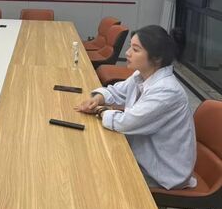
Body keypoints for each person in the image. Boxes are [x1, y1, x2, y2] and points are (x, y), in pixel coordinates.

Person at [75, 26, 196, 190]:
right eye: (130, 47)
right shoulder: (141, 75)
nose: (127, 53)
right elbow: (116, 92)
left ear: (157, 58)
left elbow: (126, 123)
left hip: (161, 172)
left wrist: (100, 110)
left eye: (135, 49)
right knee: (90, 157)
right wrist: (98, 99)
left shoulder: (167, 91)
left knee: (94, 173)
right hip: (144, 155)